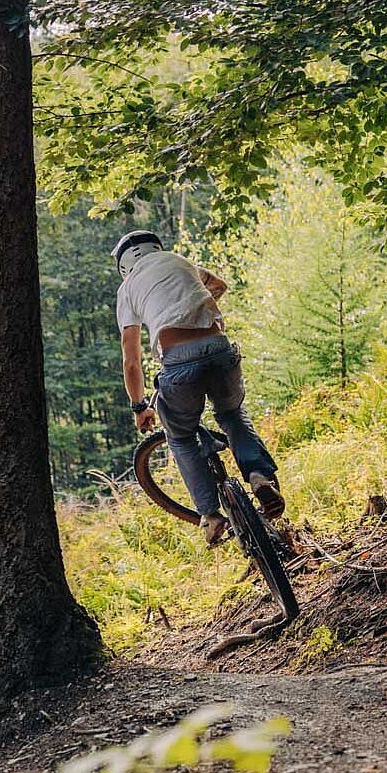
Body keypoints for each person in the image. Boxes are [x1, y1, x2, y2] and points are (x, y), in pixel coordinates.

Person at [113, 230, 285, 544]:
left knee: (180, 436)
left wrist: (139, 406)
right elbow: (219, 285)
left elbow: (131, 362)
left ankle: (210, 514)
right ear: (156, 248)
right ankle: (260, 478)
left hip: (179, 363)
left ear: (124, 264)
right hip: (220, 350)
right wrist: (194, 312)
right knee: (232, 414)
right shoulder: (181, 261)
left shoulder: (127, 289)